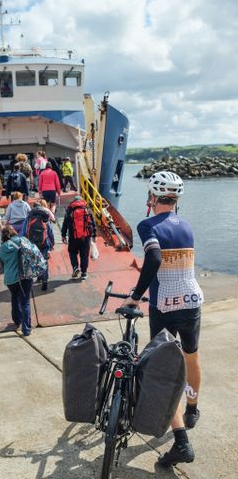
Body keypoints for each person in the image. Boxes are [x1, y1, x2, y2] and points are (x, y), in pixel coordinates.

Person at [122, 170, 203, 467]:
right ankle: (192, 408)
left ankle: (181, 441)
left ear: (152, 197)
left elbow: (154, 258)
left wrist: (135, 294)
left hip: (164, 305)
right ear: (176, 198)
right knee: (191, 357)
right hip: (192, 301)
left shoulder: (148, 224)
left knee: (162, 369)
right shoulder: (187, 226)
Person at [0, 225, 33, 336]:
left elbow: (2, 264)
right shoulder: (23, 240)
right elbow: (32, 253)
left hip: (10, 279)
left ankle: (17, 320)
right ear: (14, 232)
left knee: (14, 298)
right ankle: (26, 329)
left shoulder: (2, 249)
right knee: (25, 302)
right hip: (25, 276)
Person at [61, 195, 97, 280]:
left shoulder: (69, 210)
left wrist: (63, 235)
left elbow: (65, 224)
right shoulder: (87, 210)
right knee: (84, 254)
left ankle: (75, 267)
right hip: (85, 236)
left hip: (73, 236)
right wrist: (94, 235)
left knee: (72, 252)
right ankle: (84, 273)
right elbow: (93, 223)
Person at [22, 202, 54, 291]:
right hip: (44, 244)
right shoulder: (44, 218)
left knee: (34, 261)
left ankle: (38, 276)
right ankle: (44, 280)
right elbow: (50, 232)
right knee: (44, 261)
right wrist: (52, 244)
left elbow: (24, 231)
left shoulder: (29, 218)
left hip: (32, 244)